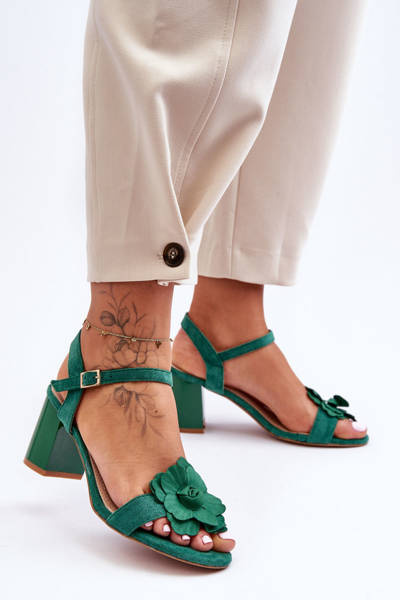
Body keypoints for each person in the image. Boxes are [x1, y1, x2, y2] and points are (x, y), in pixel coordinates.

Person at [25, 0, 368, 569]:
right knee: (196, 14)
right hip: (122, 338)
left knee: (307, 27)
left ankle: (227, 318)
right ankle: (121, 342)